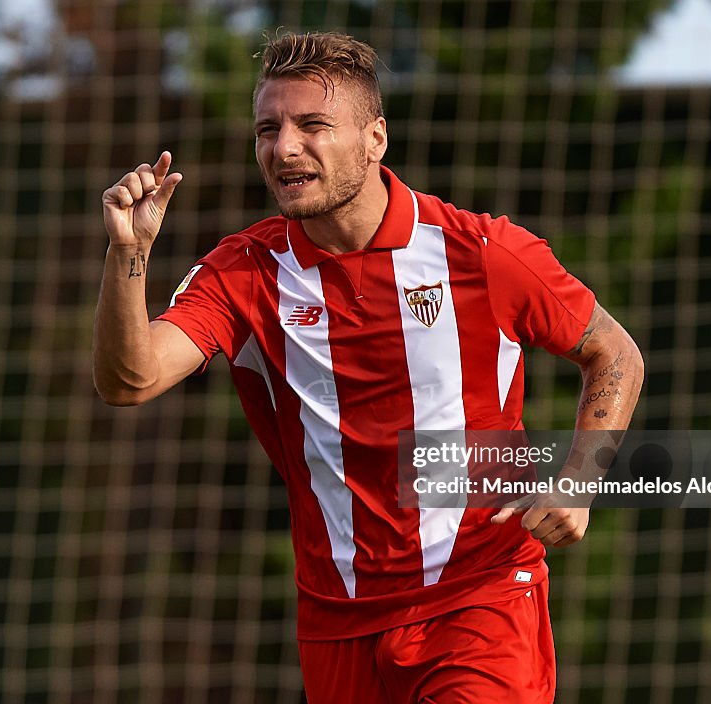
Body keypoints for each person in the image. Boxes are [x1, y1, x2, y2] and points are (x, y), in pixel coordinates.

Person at [93, 31, 643, 704]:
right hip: (338, 623)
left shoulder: (483, 253)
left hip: (480, 597)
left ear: (374, 139)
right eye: (268, 128)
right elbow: (131, 379)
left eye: (312, 125)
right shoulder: (243, 271)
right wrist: (129, 254)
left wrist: (579, 480)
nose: (284, 147)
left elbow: (612, 351)